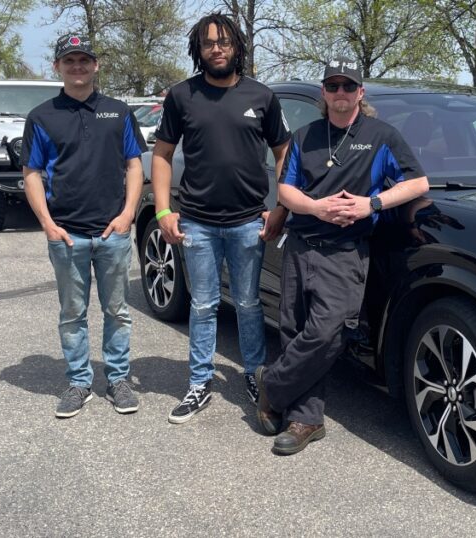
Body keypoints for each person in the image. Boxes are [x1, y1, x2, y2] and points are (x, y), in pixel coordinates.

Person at [256, 58, 429, 454]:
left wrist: (372, 204)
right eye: (332, 86)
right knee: (295, 331)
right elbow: (286, 191)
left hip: (346, 252)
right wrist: (315, 209)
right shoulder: (305, 136)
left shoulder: (381, 136)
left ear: (360, 93)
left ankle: (272, 383)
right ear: (323, 93)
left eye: (348, 87)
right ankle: (305, 419)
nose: (340, 94)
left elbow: (418, 182)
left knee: (329, 331)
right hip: (301, 247)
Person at [152, 13, 291, 424]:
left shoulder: (262, 96)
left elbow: (285, 154)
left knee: (249, 304)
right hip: (196, 220)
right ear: (199, 49)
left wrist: (281, 207)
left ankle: (254, 374)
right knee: (203, 304)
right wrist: (162, 210)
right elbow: (160, 155)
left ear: (238, 47)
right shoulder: (182, 96)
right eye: (209, 42)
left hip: (250, 220)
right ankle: (199, 382)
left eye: (225, 41)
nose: (217, 48)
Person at [22, 34, 146, 418]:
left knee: (118, 311)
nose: (78, 67)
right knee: (72, 314)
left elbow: (134, 165)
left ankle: (118, 379)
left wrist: (128, 215)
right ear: (57, 66)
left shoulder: (119, 111)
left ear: (96, 65)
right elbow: (32, 173)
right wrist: (47, 224)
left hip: (112, 233)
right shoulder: (42, 117)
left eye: (84, 60)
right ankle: (79, 382)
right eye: (69, 61)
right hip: (67, 234)